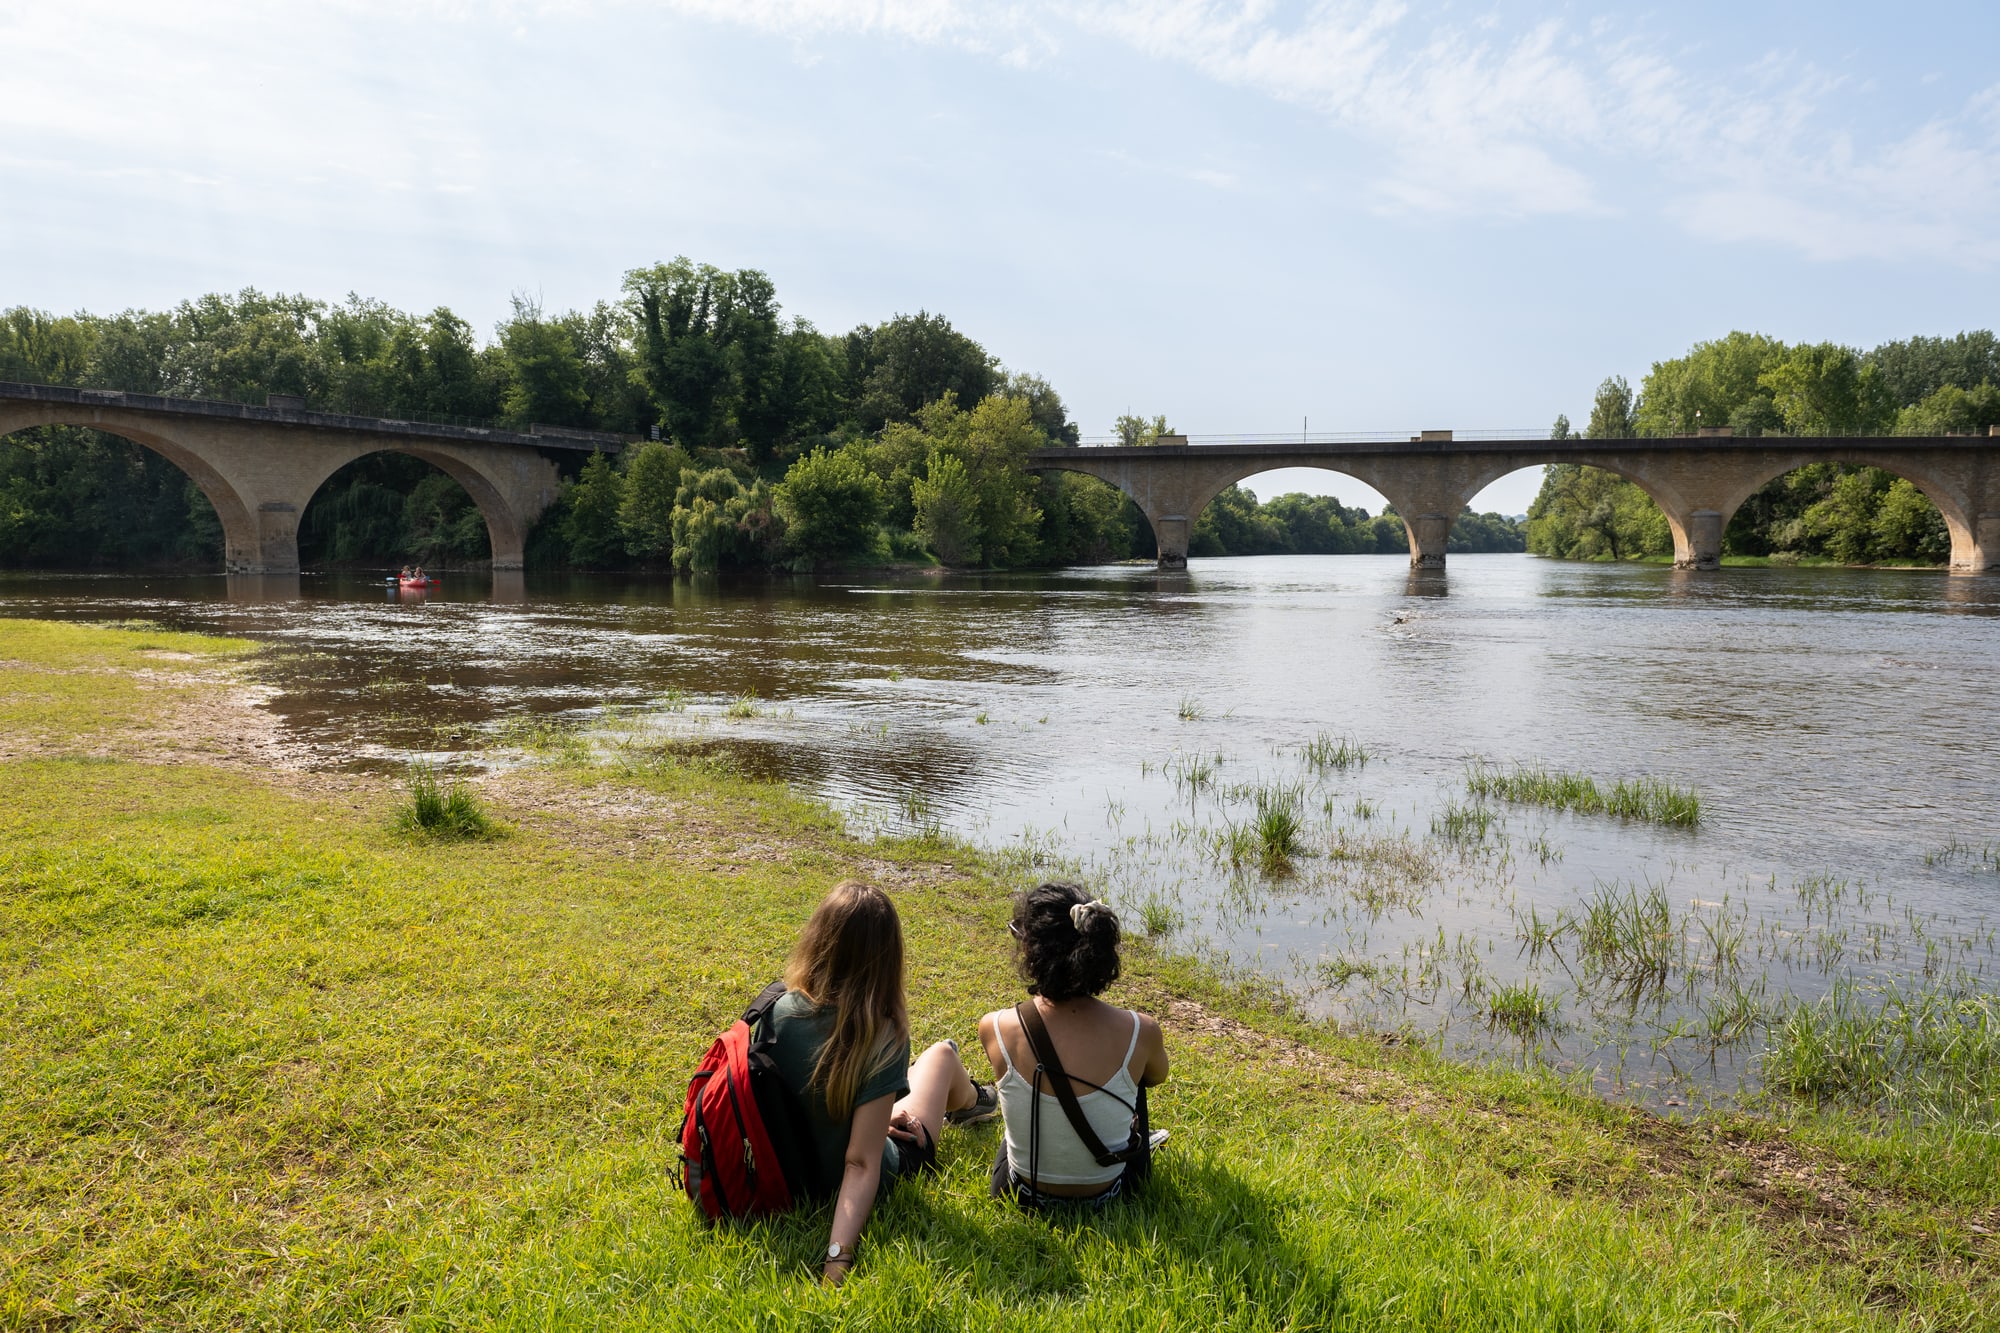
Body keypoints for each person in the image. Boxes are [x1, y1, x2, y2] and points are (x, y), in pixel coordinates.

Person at [768, 880, 997, 1286]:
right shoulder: (884, 1034)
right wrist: (835, 1264)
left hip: (796, 1162)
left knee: (900, 1090)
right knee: (943, 1055)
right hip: (885, 1164)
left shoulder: (779, 1010)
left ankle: (940, 1103)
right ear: (888, 959)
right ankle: (977, 1101)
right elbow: (860, 1164)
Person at [977, 881, 1169, 1210]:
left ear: (1029, 951)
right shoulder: (1141, 1030)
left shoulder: (996, 1026)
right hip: (1108, 1193)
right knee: (1134, 1076)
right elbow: (1157, 1076)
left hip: (1023, 1193)